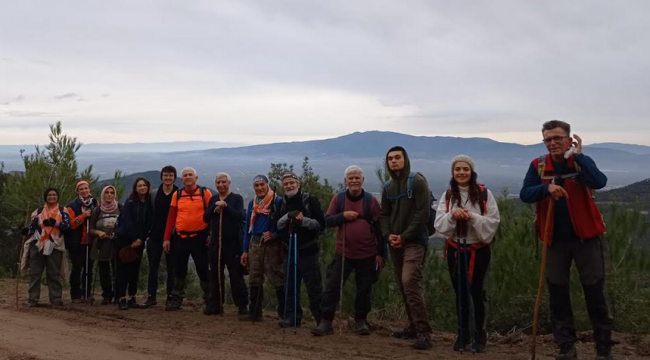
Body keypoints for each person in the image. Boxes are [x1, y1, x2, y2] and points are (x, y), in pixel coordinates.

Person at [520, 120, 613, 360]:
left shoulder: (581, 162)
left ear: (569, 140)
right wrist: (546, 189)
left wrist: (580, 157)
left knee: (595, 294)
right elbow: (525, 194)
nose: (552, 143)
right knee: (558, 295)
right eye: (548, 139)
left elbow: (599, 181)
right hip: (554, 241)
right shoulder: (539, 165)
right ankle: (566, 348)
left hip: (587, 239)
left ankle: (603, 349)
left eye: (557, 138)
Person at [434, 155, 500, 352]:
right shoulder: (448, 196)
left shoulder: (484, 194)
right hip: (456, 250)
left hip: (478, 250)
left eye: (465, 169)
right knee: (460, 293)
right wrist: (452, 216)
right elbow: (439, 223)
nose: (461, 173)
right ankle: (463, 334)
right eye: (458, 169)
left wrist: (471, 217)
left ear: (471, 172)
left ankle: (480, 334)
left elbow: (493, 221)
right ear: (453, 173)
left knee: (477, 293)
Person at [312, 165, 386, 336]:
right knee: (332, 287)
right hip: (343, 253)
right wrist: (343, 216)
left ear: (362, 180)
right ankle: (326, 322)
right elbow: (327, 220)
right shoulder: (339, 199)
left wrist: (381, 254)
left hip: (367, 254)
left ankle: (361, 321)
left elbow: (379, 229)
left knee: (364, 289)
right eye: (350, 178)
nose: (354, 181)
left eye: (357, 178)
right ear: (346, 181)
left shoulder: (371, 201)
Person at [380, 146, 433, 350]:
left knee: (409, 281)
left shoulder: (417, 181)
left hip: (415, 241)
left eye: (397, 157)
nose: (394, 161)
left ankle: (424, 333)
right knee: (403, 286)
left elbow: (422, 214)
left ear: (405, 159)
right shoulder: (388, 187)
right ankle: (413, 327)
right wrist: (388, 235)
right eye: (390, 159)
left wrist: (404, 236)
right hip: (395, 242)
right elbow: (384, 214)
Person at [276, 171, 325, 328]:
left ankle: (321, 320)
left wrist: (303, 221)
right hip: (290, 249)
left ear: (299, 184)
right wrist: (289, 216)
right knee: (290, 285)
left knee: (314, 287)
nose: (289, 186)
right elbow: (278, 225)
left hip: (308, 250)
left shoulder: (310, 200)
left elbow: (321, 224)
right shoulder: (281, 203)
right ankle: (292, 317)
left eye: (292, 182)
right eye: (286, 184)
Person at [163, 167, 212, 311]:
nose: (188, 177)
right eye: (185, 175)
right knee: (178, 269)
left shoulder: (205, 193)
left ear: (196, 177)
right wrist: (166, 238)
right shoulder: (177, 195)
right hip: (180, 238)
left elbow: (211, 217)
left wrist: (211, 234)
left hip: (200, 237)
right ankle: (176, 299)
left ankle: (210, 299)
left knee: (203, 269)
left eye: (191, 175)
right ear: (182, 179)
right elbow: (171, 218)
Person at [202, 172, 249, 316]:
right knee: (215, 274)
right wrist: (214, 207)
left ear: (229, 183)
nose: (221, 185)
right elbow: (205, 217)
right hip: (216, 243)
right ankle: (215, 304)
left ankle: (242, 305)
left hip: (232, 244)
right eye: (218, 182)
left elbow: (239, 216)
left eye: (223, 182)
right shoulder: (214, 199)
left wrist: (226, 206)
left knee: (236, 275)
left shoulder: (236, 198)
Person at [240, 174, 284, 321]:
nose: (259, 188)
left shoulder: (277, 201)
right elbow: (248, 229)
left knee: (276, 277)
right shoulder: (253, 204)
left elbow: (283, 225)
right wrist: (245, 250)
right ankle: (255, 312)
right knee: (254, 278)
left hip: (270, 245)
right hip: (255, 243)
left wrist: (274, 234)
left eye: (262, 185)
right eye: (256, 185)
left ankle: (284, 314)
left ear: (267, 185)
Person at [21, 188, 71, 307]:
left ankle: (56, 299)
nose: (52, 197)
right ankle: (33, 299)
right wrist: (26, 231)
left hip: (55, 244)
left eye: (54, 195)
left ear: (57, 197)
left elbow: (67, 226)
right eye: (49, 195)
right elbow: (32, 227)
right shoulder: (38, 211)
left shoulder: (63, 211)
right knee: (35, 272)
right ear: (45, 197)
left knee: (53, 273)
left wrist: (55, 223)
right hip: (38, 243)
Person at [114, 178, 153, 310]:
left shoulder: (148, 203)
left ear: (148, 187)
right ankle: (121, 298)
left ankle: (132, 297)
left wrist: (141, 239)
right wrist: (134, 239)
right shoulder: (130, 202)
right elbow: (127, 222)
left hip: (139, 242)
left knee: (134, 271)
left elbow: (148, 223)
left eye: (144, 185)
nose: (142, 187)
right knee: (122, 270)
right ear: (135, 188)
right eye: (139, 185)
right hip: (124, 241)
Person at [145, 165, 178, 308]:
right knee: (153, 268)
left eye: (170, 175)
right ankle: (151, 296)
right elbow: (149, 214)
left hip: (173, 237)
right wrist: (147, 233)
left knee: (172, 269)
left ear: (175, 177)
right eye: (165, 175)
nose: (168, 178)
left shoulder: (179, 193)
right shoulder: (154, 194)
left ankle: (170, 296)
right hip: (155, 236)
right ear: (161, 177)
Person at [66, 180, 98, 303]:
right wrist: (83, 216)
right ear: (77, 192)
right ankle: (75, 295)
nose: (84, 191)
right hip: (77, 243)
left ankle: (87, 293)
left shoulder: (95, 203)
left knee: (89, 268)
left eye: (86, 188)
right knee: (77, 268)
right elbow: (71, 224)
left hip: (91, 242)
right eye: (81, 189)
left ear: (89, 189)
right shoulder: (72, 206)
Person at [89, 185, 122, 305]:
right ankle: (107, 294)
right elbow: (90, 229)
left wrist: (117, 233)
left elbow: (124, 225)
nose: (109, 194)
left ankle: (118, 294)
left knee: (117, 270)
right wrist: (99, 232)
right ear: (103, 195)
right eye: (107, 192)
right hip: (102, 244)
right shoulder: (97, 210)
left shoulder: (120, 207)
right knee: (104, 271)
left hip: (116, 243)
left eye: (112, 193)